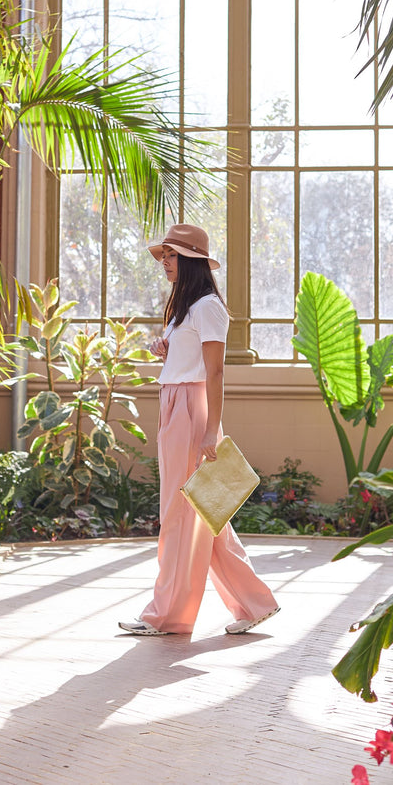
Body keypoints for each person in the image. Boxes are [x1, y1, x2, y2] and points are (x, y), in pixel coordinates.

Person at [119, 223, 280, 637]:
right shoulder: (187, 307)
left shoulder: (208, 307)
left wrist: (210, 431)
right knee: (206, 512)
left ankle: (166, 615)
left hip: (191, 410)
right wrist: (165, 349)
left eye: (171, 256)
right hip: (175, 405)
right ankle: (255, 604)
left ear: (191, 260)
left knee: (180, 512)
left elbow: (215, 371)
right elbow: (189, 360)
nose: (165, 263)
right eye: (165, 256)